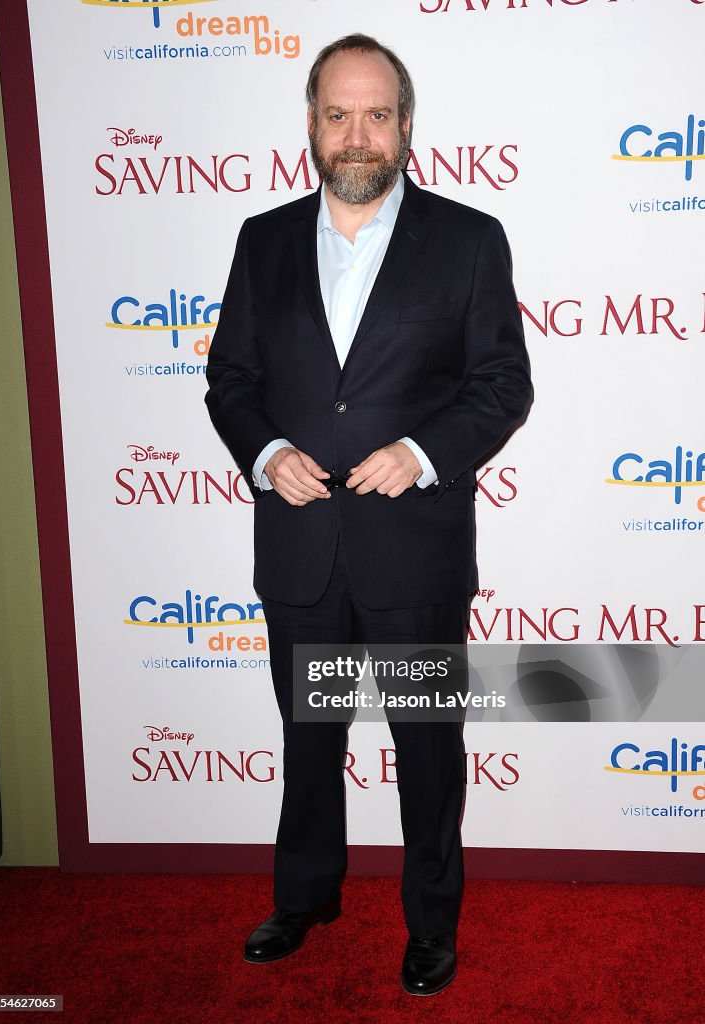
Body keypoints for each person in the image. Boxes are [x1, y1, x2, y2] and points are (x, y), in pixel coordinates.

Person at [205, 33, 531, 997]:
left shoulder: (468, 239)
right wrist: (265, 455)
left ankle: (431, 923)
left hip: (413, 556)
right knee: (309, 742)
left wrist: (422, 454)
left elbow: (501, 384)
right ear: (310, 122)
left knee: (426, 755)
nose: (357, 136)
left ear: (404, 127)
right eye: (338, 114)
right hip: (301, 548)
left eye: (377, 115)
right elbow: (231, 381)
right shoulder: (261, 241)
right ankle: (304, 897)